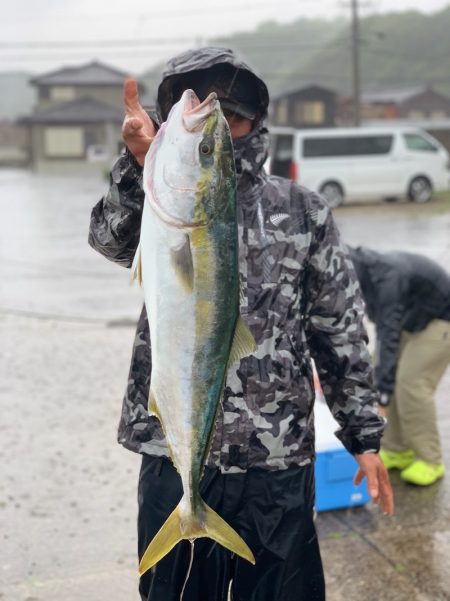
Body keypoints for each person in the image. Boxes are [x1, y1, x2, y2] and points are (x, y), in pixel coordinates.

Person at [89, 47, 393, 601]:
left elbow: (338, 327)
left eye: (232, 115)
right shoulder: (158, 202)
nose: (222, 124)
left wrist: (364, 436)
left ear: (256, 123)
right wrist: (137, 166)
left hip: (274, 457)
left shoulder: (303, 210)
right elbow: (109, 240)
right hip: (172, 450)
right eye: (210, 113)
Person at [349, 246, 450, 487]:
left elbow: (388, 332)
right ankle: (397, 449)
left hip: (440, 319)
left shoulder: (387, 279)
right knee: (378, 372)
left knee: (410, 383)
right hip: (411, 318)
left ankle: (430, 459)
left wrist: (383, 392)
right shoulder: (356, 275)